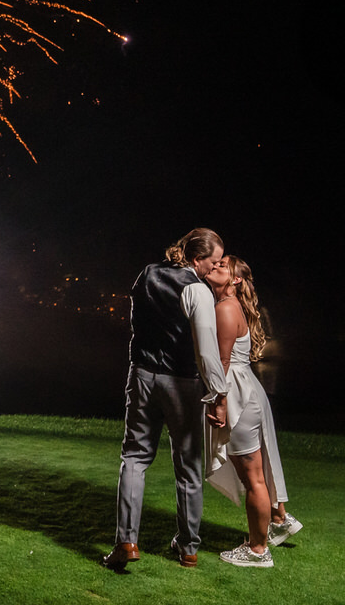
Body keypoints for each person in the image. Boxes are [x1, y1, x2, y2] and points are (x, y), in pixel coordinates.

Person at [103, 228, 231, 571]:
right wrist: (219, 394)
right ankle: (188, 547)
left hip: (142, 374)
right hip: (182, 383)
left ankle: (126, 541)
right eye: (213, 261)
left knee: (134, 457)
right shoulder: (198, 290)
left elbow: (136, 323)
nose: (215, 268)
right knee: (188, 466)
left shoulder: (147, 273)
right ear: (195, 258)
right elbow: (206, 350)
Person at [202, 255, 302, 568]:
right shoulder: (231, 305)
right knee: (257, 471)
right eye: (215, 262)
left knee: (253, 477)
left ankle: (258, 550)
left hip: (238, 396)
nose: (216, 265)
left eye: (223, 265)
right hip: (247, 391)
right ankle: (277, 518)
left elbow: (223, 362)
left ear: (236, 280)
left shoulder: (226, 307)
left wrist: (219, 401)